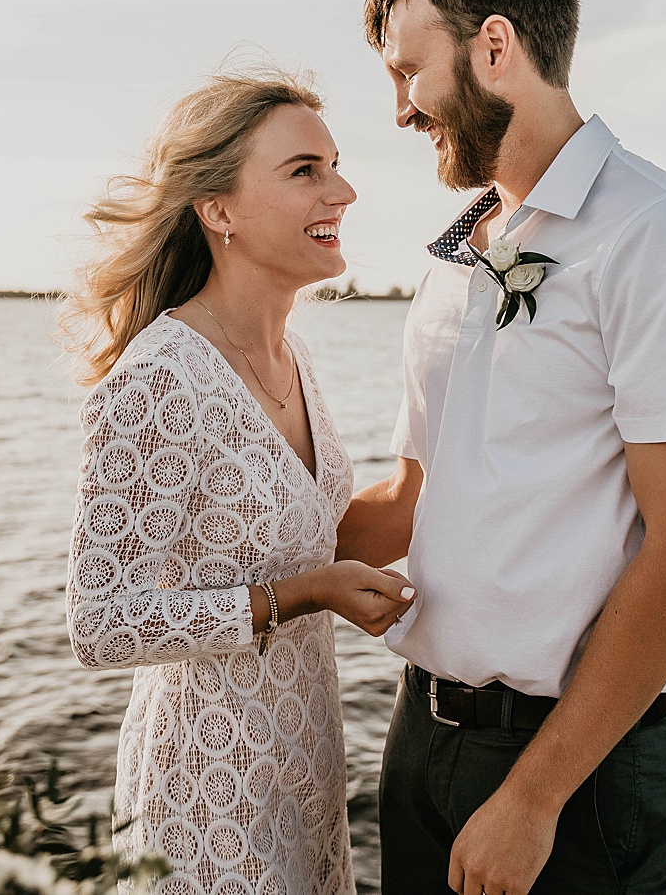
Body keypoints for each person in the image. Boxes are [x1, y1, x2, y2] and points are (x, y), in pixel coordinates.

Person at [337, 0, 666, 895]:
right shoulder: (457, 253)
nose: (399, 109)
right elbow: (413, 494)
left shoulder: (664, 237)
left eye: (409, 70)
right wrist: (231, 566)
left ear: (495, 47)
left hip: (577, 768)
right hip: (422, 734)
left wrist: (534, 797)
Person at [63, 70, 416, 895]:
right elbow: (99, 623)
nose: (345, 189)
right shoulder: (160, 379)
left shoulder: (294, 357)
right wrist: (303, 593)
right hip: (204, 793)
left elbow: (314, 533)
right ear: (218, 210)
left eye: (335, 163)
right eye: (305, 171)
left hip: (305, 770)